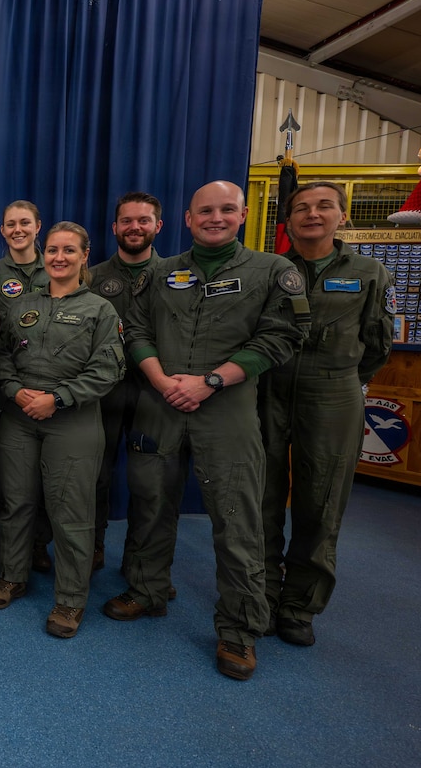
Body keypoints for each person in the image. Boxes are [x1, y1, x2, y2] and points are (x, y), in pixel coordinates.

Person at [108, 180, 307, 681]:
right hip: (161, 403)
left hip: (228, 410)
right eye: (205, 211)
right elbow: (135, 330)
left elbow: (283, 336)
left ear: (242, 215)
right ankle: (148, 591)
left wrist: (211, 381)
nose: (215, 218)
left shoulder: (272, 271)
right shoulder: (160, 273)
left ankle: (239, 630)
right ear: (187, 219)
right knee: (151, 504)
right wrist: (159, 379)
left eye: (225, 210)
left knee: (237, 519)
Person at [259, 181, 394, 647]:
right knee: (262, 497)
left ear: (342, 215)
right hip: (269, 388)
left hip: (333, 393)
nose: (312, 214)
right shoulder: (271, 268)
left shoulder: (369, 271)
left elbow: (378, 344)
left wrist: (339, 376)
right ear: (289, 219)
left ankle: (299, 605)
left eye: (323, 207)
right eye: (301, 208)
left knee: (321, 502)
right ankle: (261, 595)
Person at [0, 222, 124, 638]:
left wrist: (58, 398)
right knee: (16, 503)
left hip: (73, 421)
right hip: (20, 417)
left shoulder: (100, 309)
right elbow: (2, 358)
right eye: (52, 250)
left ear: (85, 256)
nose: (59, 258)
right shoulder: (21, 305)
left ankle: (69, 600)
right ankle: (13, 575)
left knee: (71, 512)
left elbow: (110, 368)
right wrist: (16, 391)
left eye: (69, 251)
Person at [88, 192, 166, 573]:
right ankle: (92, 548)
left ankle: (142, 564)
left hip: (156, 393)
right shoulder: (92, 278)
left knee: (150, 484)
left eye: (144, 220)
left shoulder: (175, 276)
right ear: (115, 227)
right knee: (93, 477)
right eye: (127, 221)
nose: (135, 227)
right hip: (102, 394)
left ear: (158, 226)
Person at [0, 200, 52, 573]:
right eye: (10, 224)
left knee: (42, 474)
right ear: (2, 231)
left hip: (48, 388)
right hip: (1, 390)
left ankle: (38, 544)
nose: (18, 229)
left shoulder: (56, 268)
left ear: (38, 227)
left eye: (25, 223)